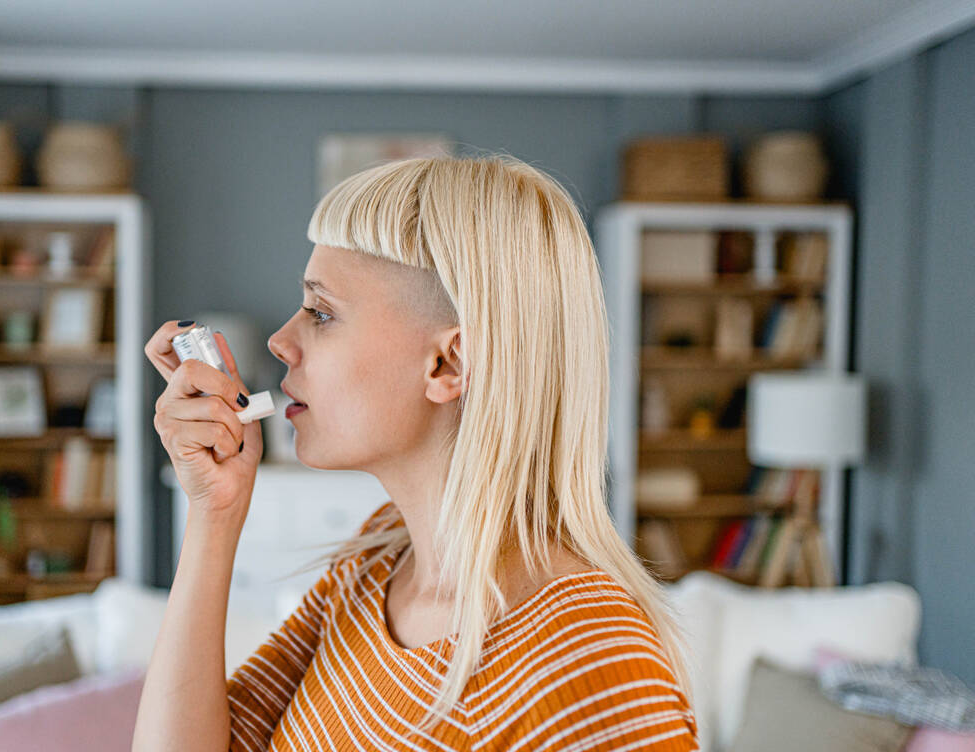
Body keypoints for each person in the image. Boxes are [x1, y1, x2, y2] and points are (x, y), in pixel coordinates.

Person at [133, 154, 700, 751]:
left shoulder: (595, 668)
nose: (280, 341)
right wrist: (214, 513)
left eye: (321, 313)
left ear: (447, 364)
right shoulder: (375, 563)